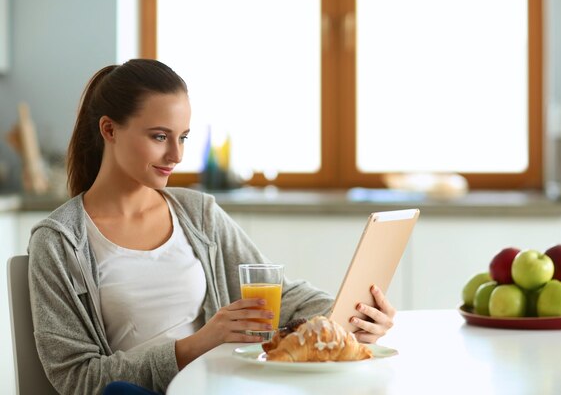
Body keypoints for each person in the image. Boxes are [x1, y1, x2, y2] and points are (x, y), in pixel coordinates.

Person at [28, 59, 396, 394]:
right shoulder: (60, 243)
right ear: (109, 130)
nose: (176, 155)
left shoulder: (198, 213)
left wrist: (349, 318)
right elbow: (76, 378)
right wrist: (198, 344)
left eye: (183, 137)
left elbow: (280, 298)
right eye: (159, 137)